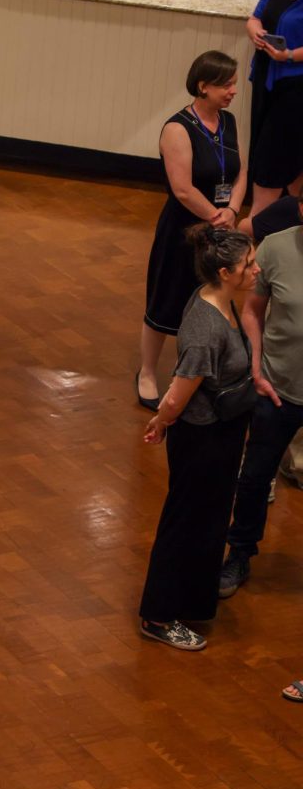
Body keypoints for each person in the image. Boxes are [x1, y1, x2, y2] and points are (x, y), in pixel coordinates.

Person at [138, 226, 259, 651]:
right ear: (225, 272)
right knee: (186, 522)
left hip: (221, 434)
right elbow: (180, 388)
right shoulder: (207, 325)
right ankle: (157, 615)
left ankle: (188, 600)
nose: (255, 269)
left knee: (207, 521)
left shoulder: (218, 299)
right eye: (248, 264)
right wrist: (161, 420)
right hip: (202, 438)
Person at [137, 51, 246, 412]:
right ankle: (148, 372)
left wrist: (231, 211)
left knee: (210, 300)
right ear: (203, 86)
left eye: (234, 83)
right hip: (184, 230)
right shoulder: (177, 128)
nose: (233, 90)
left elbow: (242, 171)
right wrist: (217, 215)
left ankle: (195, 371)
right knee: (166, 299)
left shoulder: (228, 122)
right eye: (226, 84)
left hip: (219, 225)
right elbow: (182, 189)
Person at [217, 196, 303, 599]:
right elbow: (251, 310)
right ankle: (239, 553)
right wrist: (255, 365)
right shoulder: (276, 248)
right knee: (253, 478)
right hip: (277, 388)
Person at [245, 0, 303, 218]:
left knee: (273, 155)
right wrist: (256, 33)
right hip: (265, 79)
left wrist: (288, 55)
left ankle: (257, 222)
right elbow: (255, 18)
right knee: (271, 149)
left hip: (295, 87)